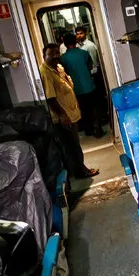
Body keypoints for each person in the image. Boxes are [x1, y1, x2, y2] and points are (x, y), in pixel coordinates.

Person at [40, 43, 99, 178]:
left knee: (74, 144)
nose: (55, 56)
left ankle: (78, 170)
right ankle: (80, 171)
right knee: (71, 147)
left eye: (57, 53)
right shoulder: (45, 73)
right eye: (51, 54)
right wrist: (62, 115)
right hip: (63, 117)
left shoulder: (58, 68)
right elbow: (50, 98)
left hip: (71, 114)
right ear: (44, 56)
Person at [60, 33, 103, 138]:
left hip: (75, 89)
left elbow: (64, 73)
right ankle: (97, 127)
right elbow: (90, 66)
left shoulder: (63, 59)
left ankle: (88, 129)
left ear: (65, 44)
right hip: (89, 85)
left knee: (83, 109)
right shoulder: (84, 53)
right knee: (94, 107)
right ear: (75, 42)